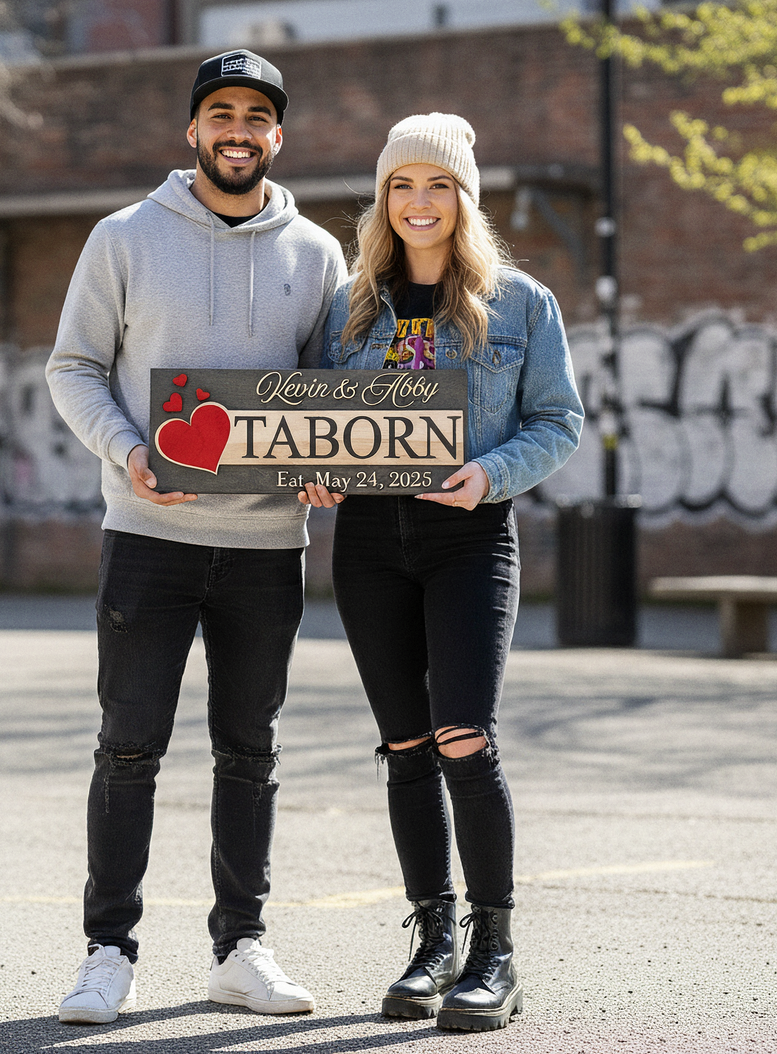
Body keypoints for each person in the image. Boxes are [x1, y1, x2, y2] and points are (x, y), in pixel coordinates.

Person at [45, 49, 346, 1025]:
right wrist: (129, 450)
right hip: (147, 533)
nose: (237, 130)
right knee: (127, 745)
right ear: (192, 130)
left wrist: (326, 462)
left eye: (256, 116)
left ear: (277, 137)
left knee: (248, 749)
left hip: (268, 545)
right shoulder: (124, 237)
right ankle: (107, 951)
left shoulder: (316, 253)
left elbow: (326, 397)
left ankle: (240, 948)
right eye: (220, 112)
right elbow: (73, 367)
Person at [304, 113, 583, 1031]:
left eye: (437, 186)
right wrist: (312, 469)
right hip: (370, 546)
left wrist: (489, 475)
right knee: (405, 748)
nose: (418, 202)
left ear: (465, 198)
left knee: (462, 733)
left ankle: (494, 952)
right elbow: (308, 417)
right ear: (383, 201)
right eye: (400, 186)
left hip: (469, 539)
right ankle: (432, 946)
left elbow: (557, 422)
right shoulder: (347, 307)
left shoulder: (520, 304)